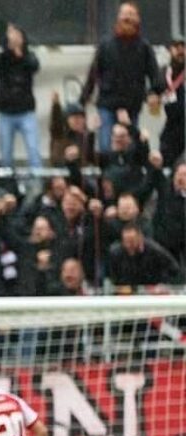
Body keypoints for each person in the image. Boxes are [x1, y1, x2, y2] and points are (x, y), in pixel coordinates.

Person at [80, 2, 164, 153]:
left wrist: (154, 92)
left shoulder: (144, 47)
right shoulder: (105, 45)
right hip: (107, 104)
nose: (127, 18)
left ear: (138, 19)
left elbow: (155, 74)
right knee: (106, 147)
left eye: (131, 14)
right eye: (124, 14)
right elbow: (93, 73)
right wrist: (83, 98)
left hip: (132, 105)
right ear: (118, 18)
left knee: (130, 148)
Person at [0, 23, 41, 169]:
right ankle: (8, 179)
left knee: (33, 149)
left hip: (26, 111)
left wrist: (20, 53)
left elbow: (34, 66)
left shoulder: (29, 57)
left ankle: (37, 178)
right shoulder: (1, 58)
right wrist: (9, 48)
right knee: (6, 153)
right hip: (5, 112)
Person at [108, 223, 182, 289]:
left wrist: (163, 284)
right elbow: (113, 277)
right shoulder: (116, 253)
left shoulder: (154, 250)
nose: (128, 245)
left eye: (132, 241)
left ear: (140, 238)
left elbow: (174, 269)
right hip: (127, 292)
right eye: (126, 241)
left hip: (152, 290)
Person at [152, 161, 186, 265]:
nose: (180, 178)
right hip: (164, 240)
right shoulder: (165, 189)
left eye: (184, 175)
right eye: (178, 174)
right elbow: (156, 176)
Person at [160, 36, 186, 165]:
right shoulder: (164, 72)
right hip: (173, 124)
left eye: (183, 47)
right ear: (170, 50)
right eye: (176, 47)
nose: (180, 50)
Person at [49, 95, 96, 167]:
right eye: (74, 118)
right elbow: (56, 123)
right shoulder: (61, 135)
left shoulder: (88, 136)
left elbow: (91, 159)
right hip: (63, 169)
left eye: (81, 117)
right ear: (66, 120)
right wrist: (56, 106)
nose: (78, 121)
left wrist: (79, 153)